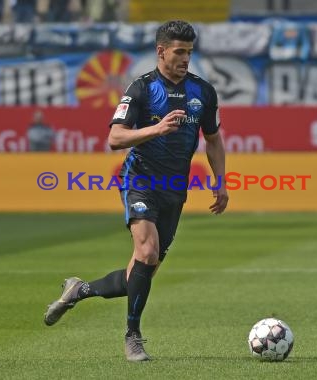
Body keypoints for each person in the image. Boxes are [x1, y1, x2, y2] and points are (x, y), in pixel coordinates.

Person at [43, 20, 229, 362]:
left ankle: (78, 290)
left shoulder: (203, 92)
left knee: (140, 273)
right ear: (161, 51)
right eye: (179, 52)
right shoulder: (141, 89)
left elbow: (213, 139)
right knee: (147, 252)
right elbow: (115, 138)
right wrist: (156, 129)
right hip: (140, 179)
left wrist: (220, 180)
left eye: (189, 52)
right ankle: (133, 337)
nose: (186, 58)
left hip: (175, 189)